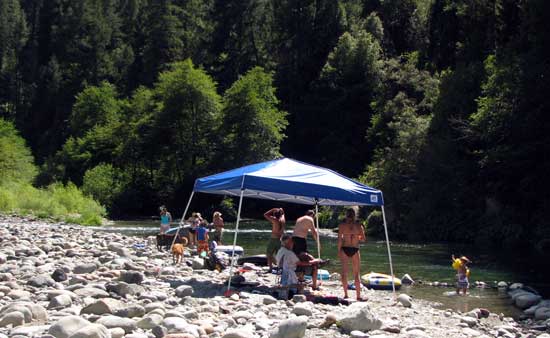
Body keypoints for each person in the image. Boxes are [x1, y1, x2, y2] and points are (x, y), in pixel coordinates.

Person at [338, 207, 366, 300]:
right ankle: (358, 296)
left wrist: (339, 250)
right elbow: (363, 239)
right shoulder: (359, 226)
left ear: (346, 215)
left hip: (345, 248)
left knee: (344, 273)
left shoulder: (342, 225)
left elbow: (339, 240)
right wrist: (357, 237)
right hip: (354, 248)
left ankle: (346, 294)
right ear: (354, 215)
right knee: (356, 274)